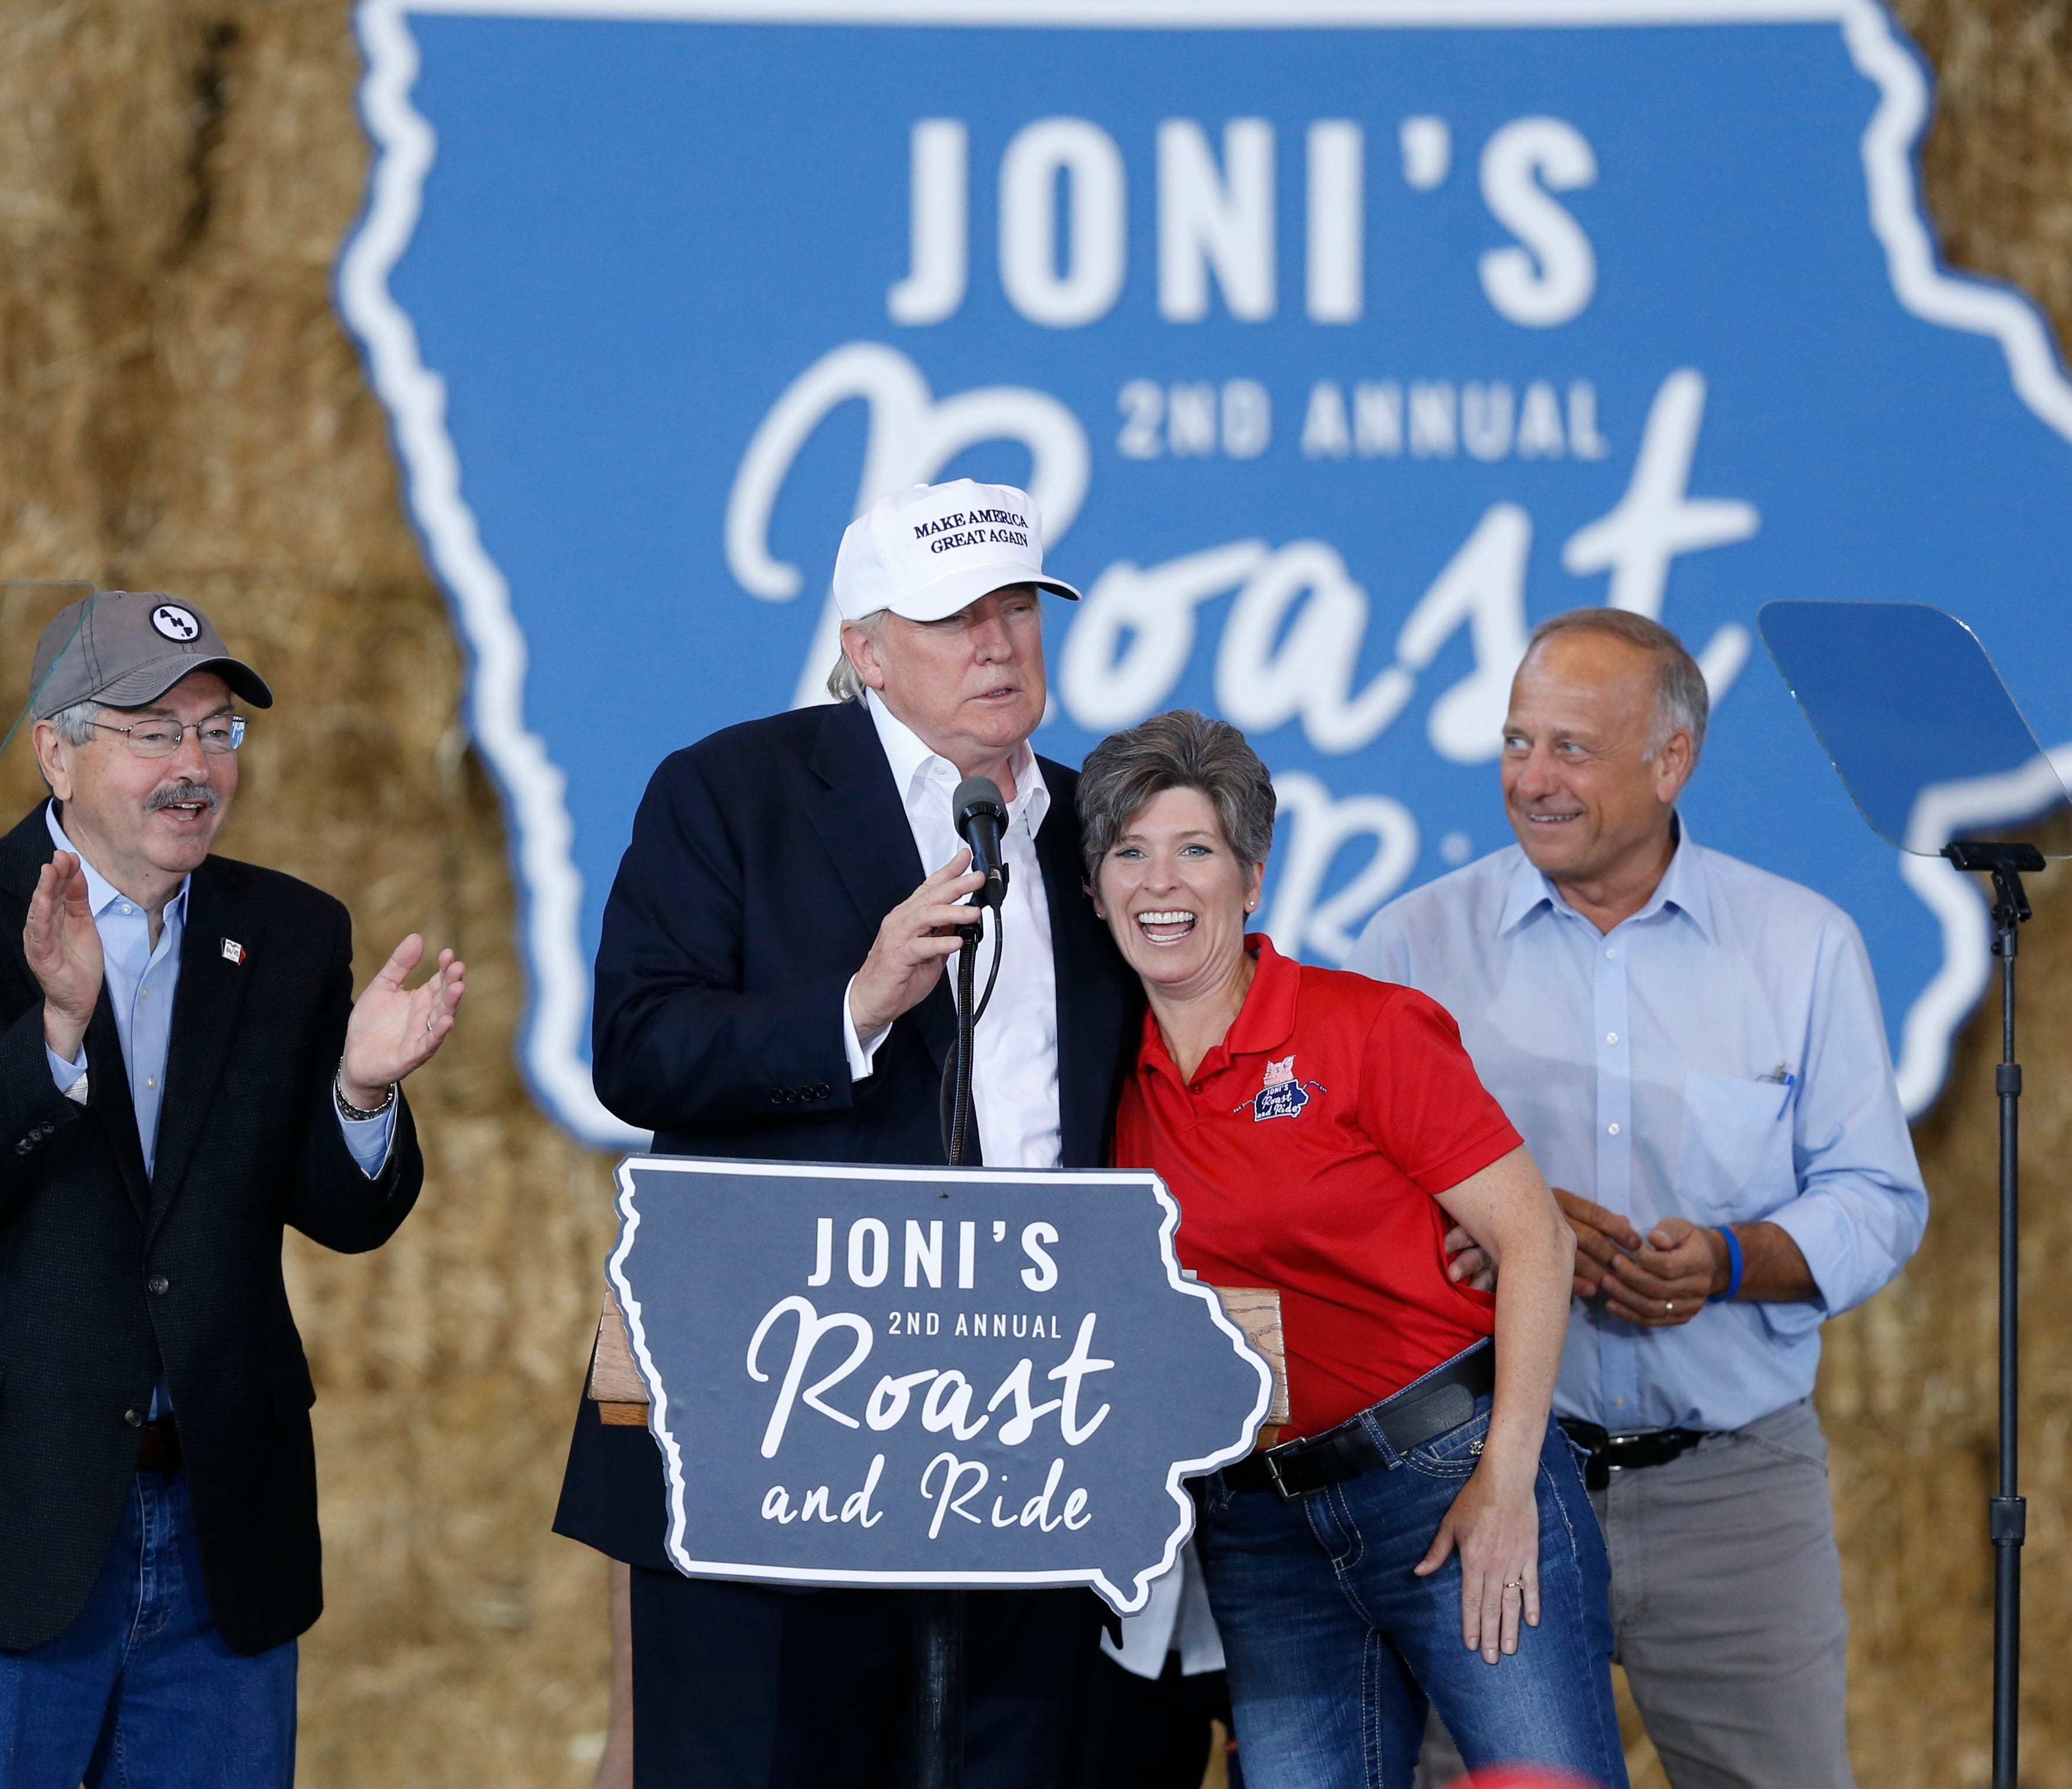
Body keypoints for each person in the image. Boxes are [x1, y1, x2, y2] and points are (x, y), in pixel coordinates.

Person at [552, 479, 1138, 1788]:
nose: (998, 641)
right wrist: (853, 1006)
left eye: (1017, 607)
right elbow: (638, 1050)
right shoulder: (730, 791)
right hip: (781, 1425)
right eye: (952, 617)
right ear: (865, 652)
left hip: (1028, 1431)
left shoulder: (1104, 825)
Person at [0, 590, 466, 1789]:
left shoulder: (290, 930)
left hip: (216, 1525)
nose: (195, 767)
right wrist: (56, 1035)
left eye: (217, 732)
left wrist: (357, 1088)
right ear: (57, 749)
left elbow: (348, 1214)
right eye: (153, 731)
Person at [1352, 607, 1928, 1789]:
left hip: (1732, 1491)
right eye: (1516, 741)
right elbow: (1342, 1203)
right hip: (1489, 1483)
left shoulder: (1799, 945)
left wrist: (1727, 1259)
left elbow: (1877, 1196)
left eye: (1570, 747)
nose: (1531, 778)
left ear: (1672, 760)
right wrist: (1492, 1223)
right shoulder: (1410, 945)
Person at [1079, 708, 1628, 1789]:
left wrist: (1507, 1481)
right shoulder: (1096, 1071)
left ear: (1251, 876)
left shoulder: (1364, 1029)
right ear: (1093, 889)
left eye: (1194, 850)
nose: (1159, 883)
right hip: (1256, 1522)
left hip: (1444, 1474)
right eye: (1127, 853)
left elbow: (1534, 1241)